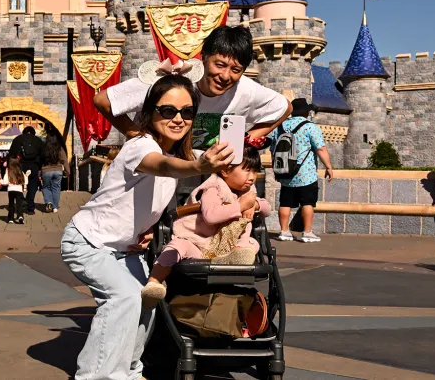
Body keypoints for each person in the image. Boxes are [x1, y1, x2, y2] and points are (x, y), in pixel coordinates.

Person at [61, 74, 235, 380]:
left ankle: (129, 371)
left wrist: (147, 227)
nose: (178, 119)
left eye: (186, 112)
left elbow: (154, 190)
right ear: (150, 112)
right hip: (89, 242)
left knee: (145, 302)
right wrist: (198, 167)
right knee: (124, 298)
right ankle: (97, 376)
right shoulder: (140, 146)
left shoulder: (175, 152)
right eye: (167, 111)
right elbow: (162, 166)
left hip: (124, 248)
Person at [93, 25, 291, 153]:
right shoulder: (174, 81)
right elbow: (103, 100)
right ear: (203, 56)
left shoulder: (247, 90)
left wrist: (246, 142)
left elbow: (285, 108)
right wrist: (137, 136)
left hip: (202, 180)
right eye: (219, 65)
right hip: (155, 173)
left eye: (236, 70)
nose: (225, 76)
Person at [142, 147, 269, 308]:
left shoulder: (248, 193)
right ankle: (154, 283)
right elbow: (211, 216)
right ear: (225, 171)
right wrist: (241, 206)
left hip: (226, 248)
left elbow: (267, 208)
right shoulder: (214, 189)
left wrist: (255, 204)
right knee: (176, 247)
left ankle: (233, 256)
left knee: (252, 244)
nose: (252, 178)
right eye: (247, 171)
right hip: (197, 243)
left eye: (255, 172)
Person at [271, 97, 333, 243]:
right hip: (306, 174)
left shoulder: (280, 127)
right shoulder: (310, 127)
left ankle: (284, 232)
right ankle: (307, 233)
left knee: (285, 203)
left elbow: (274, 150)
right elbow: (321, 148)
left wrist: (277, 170)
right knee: (307, 203)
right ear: (306, 112)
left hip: (286, 172)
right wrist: (329, 166)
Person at [11, 126, 46, 214]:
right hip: (34, 166)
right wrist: (39, 166)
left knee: (19, 185)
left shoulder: (17, 139)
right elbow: (44, 155)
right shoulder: (38, 140)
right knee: (32, 186)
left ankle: (21, 203)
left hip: (19, 165)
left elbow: (11, 153)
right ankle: (30, 207)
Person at [41, 133, 67, 213]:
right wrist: (67, 172)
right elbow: (64, 160)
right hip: (58, 170)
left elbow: (40, 160)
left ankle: (49, 202)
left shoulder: (43, 148)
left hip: (46, 170)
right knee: (56, 188)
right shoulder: (60, 149)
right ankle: (55, 207)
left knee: (46, 187)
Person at [5, 156, 29, 224]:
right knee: (19, 204)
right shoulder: (20, 171)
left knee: (11, 204)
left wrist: (0, 181)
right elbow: (25, 180)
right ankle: (20, 216)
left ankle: (10, 219)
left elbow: (5, 181)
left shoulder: (8, 171)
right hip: (19, 190)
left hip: (11, 190)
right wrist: (24, 186)